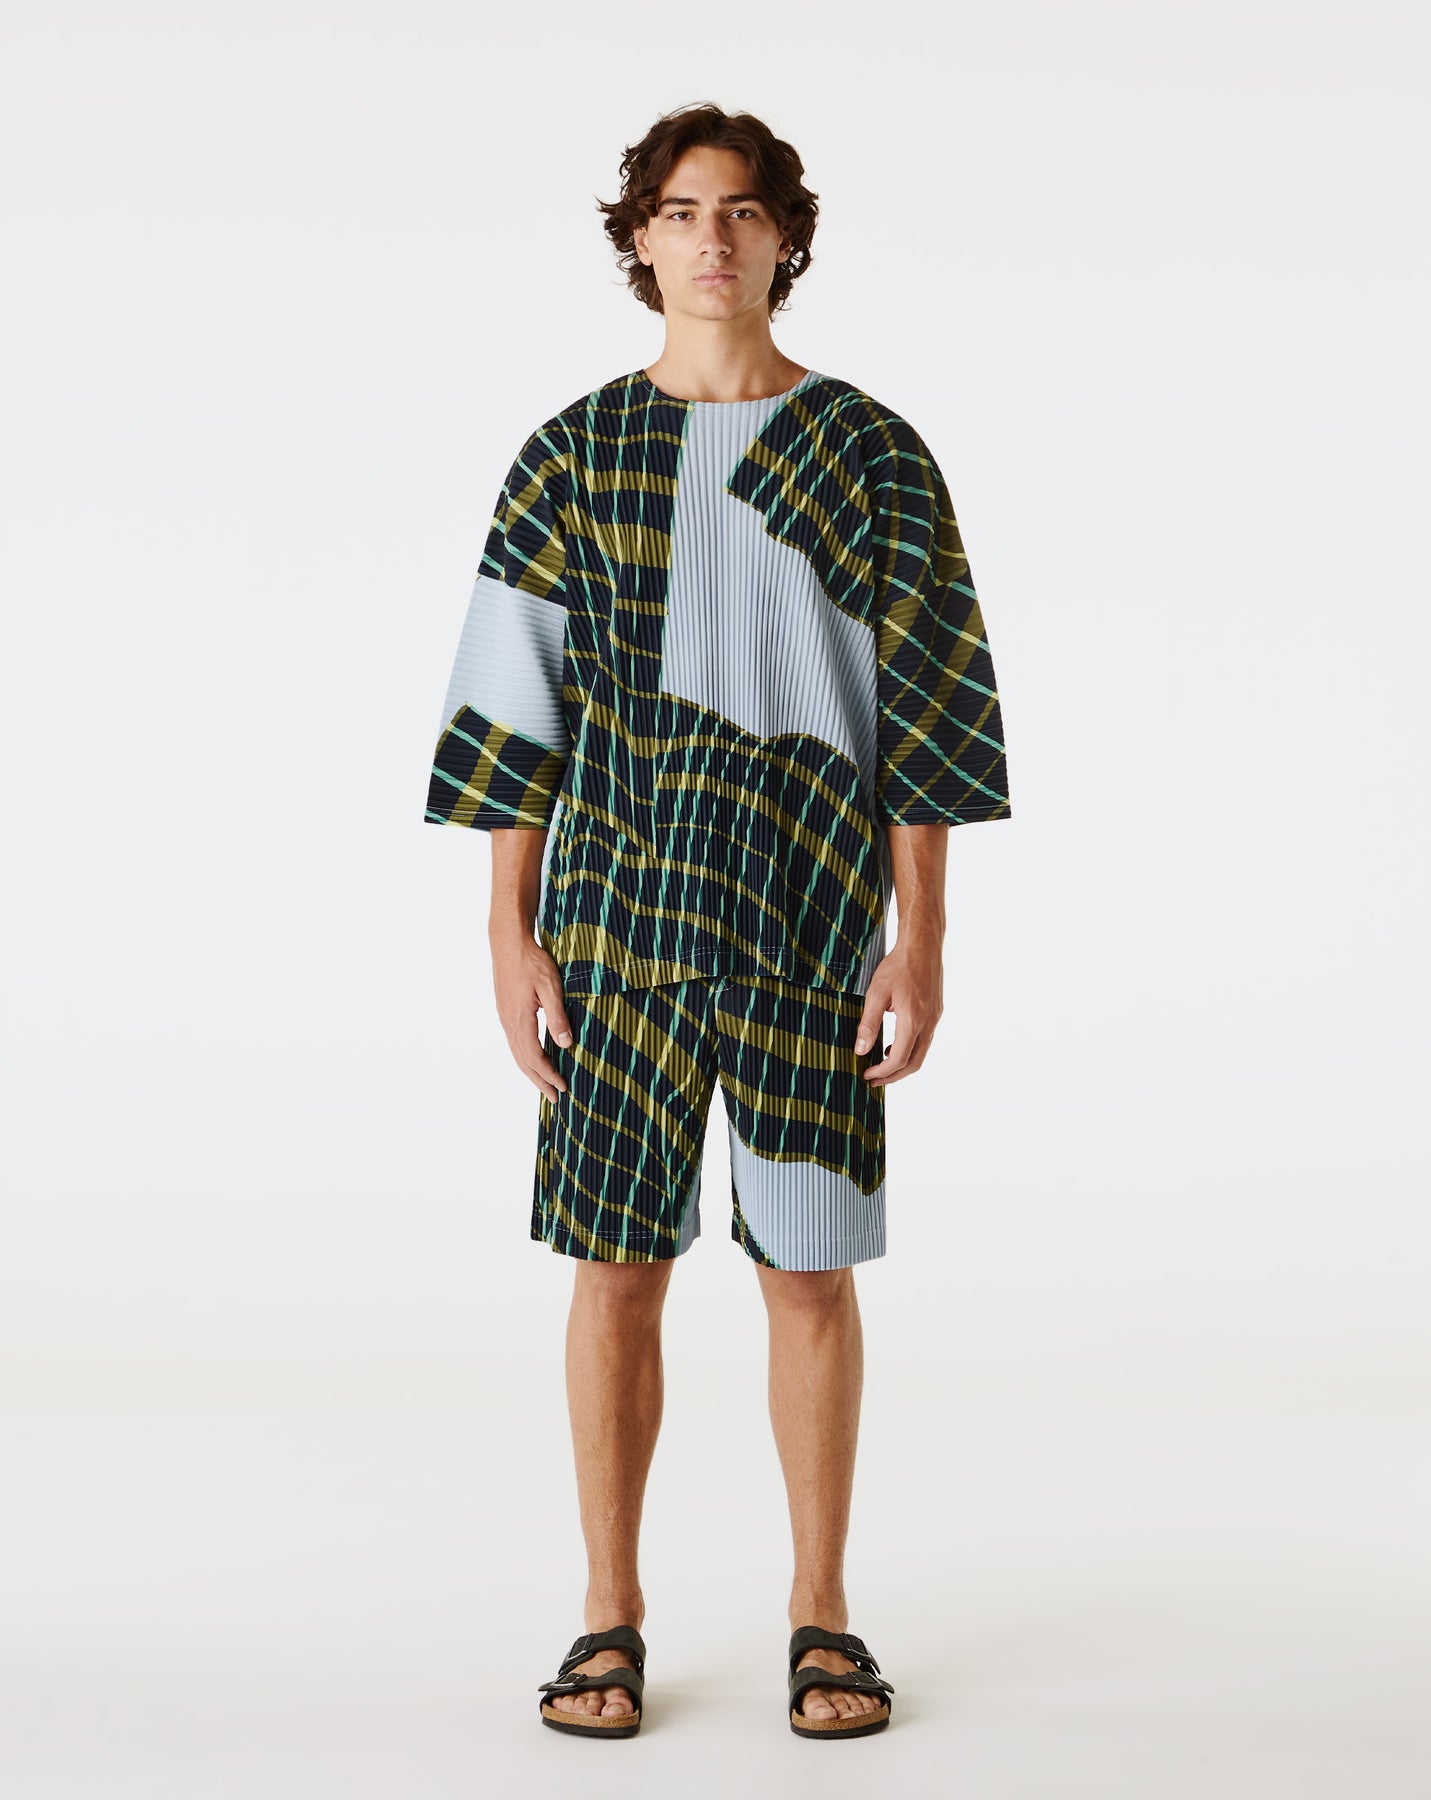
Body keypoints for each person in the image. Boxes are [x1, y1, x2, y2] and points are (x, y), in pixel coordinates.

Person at [423, 101, 1012, 1740]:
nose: (712, 239)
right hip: (614, 929)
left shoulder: (872, 454)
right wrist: (508, 937)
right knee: (615, 1270)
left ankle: (824, 1615)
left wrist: (922, 939)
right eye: (682, 212)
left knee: (810, 1273)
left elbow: (930, 710)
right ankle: (607, 1616)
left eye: (743, 211)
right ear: (640, 239)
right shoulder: (573, 452)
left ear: (785, 238)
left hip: (813, 927)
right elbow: (511, 708)